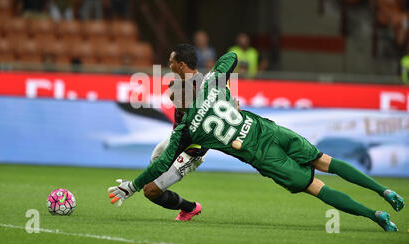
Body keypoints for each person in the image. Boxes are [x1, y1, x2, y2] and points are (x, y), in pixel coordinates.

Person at [108, 47, 405, 232]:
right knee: (325, 161)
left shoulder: (188, 129)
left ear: (182, 103)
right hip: (270, 130)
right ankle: (384, 191)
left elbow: (161, 162)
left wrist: (131, 186)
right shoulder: (213, 85)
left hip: (262, 156)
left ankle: (375, 215)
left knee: (317, 186)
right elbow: (232, 57)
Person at [141, 44, 209, 221]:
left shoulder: (206, 87)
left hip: (193, 149)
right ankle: (188, 207)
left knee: (150, 191)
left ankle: (191, 208)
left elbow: (231, 105)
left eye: (171, 62)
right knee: (149, 180)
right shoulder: (178, 85)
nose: (168, 66)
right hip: (176, 140)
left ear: (181, 64)